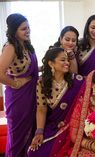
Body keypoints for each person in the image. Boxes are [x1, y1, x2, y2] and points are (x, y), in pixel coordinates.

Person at [27, 47, 84, 157]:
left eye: (67, 60)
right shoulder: (41, 82)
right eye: (63, 60)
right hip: (53, 126)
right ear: (51, 63)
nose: (67, 63)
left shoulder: (77, 80)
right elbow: (41, 109)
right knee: (34, 152)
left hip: (73, 127)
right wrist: (39, 132)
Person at [0, 13, 38, 157]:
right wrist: (15, 83)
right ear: (14, 30)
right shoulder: (10, 47)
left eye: (28, 27)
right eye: (23, 29)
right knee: (17, 136)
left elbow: (30, 68)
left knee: (30, 133)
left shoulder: (26, 45)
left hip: (31, 94)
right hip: (18, 98)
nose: (27, 31)